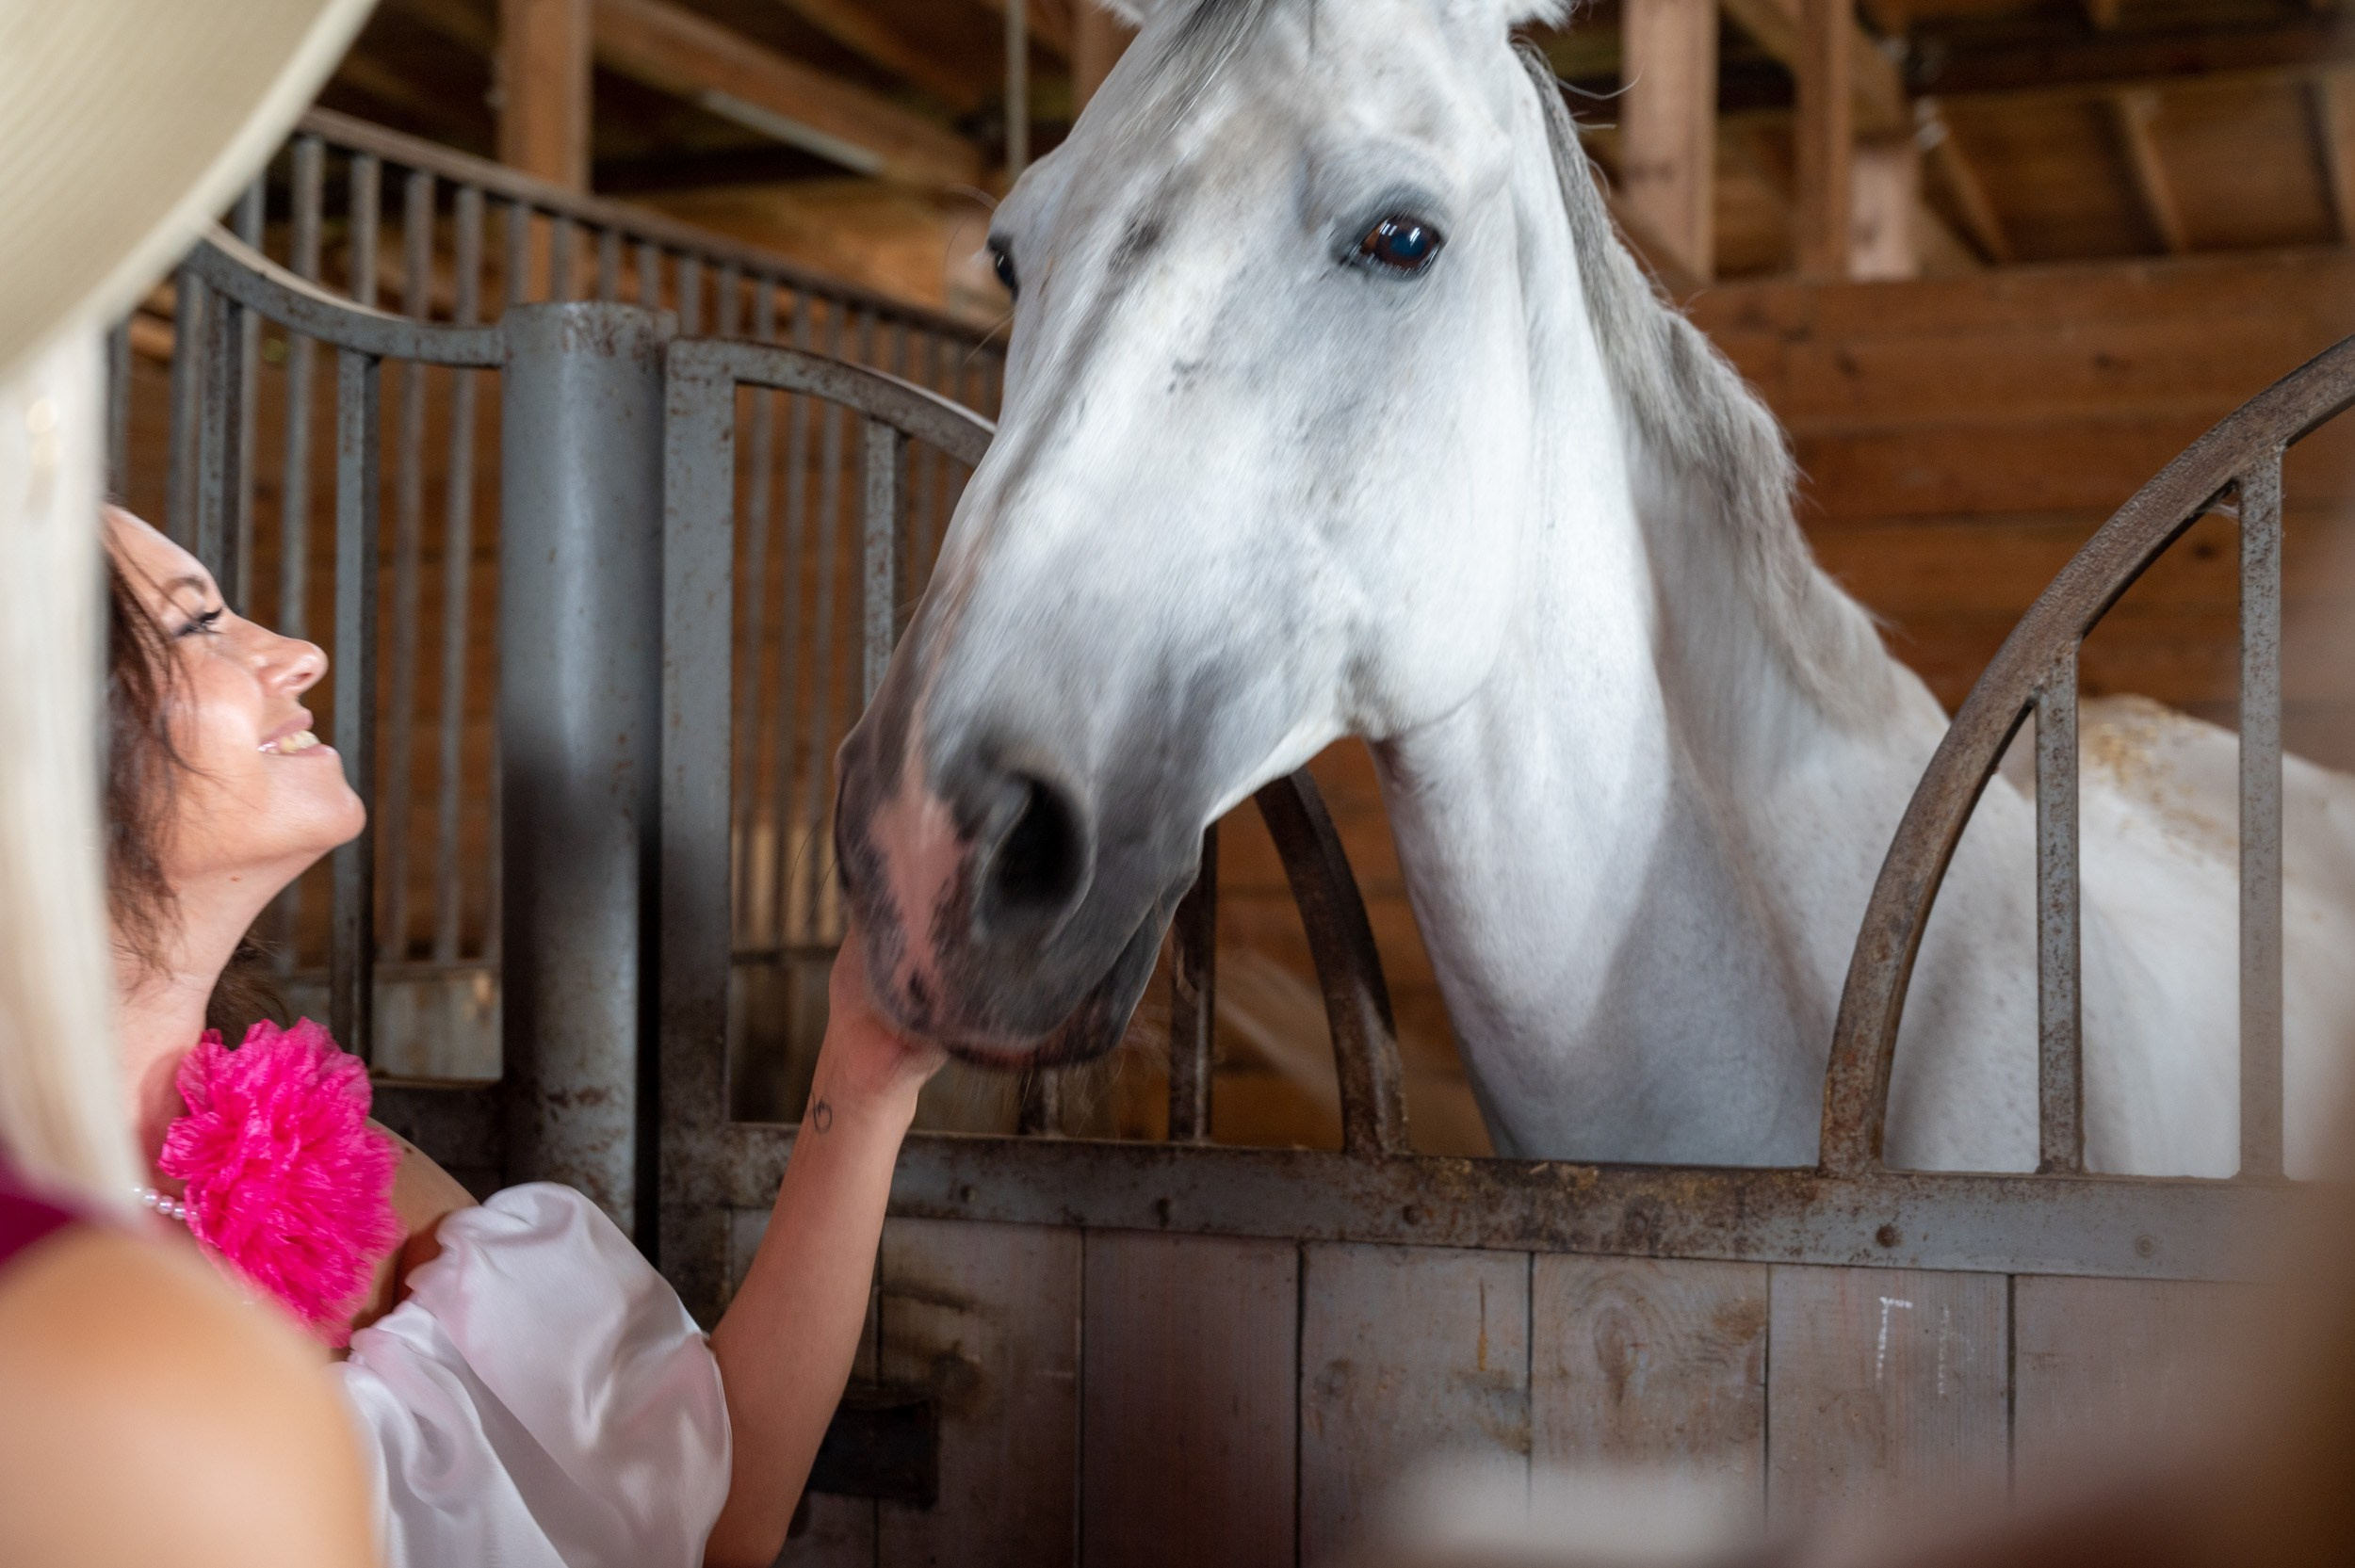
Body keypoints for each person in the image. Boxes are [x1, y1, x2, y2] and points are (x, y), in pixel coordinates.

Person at [104, 501, 944, 1567]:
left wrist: (866, 1070)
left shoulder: (347, 1173)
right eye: (197, 625)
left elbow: (718, 1522)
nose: (300, 654)